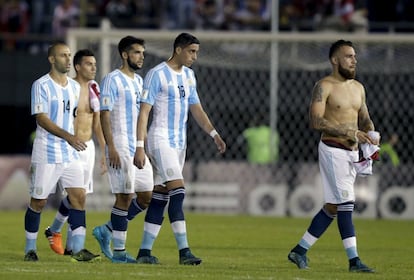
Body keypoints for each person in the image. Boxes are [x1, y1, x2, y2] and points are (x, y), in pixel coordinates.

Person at [134, 32, 226, 265]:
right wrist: (140, 146)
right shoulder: (157, 74)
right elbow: (144, 112)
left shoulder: (190, 76)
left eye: (197, 52)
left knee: (160, 196)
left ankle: (144, 252)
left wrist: (214, 133)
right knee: (179, 190)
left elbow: (197, 109)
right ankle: (184, 251)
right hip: (160, 138)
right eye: (191, 51)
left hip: (179, 143)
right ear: (178, 50)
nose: (195, 56)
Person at [287, 39, 378, 273]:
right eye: (348, 56)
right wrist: (351, 131)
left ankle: (299, 250)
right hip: (333, 149)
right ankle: (354, 261)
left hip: (353, 152)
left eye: (355, 56)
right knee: (347, 203)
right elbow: (316, 120)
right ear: (335, 60)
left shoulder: (359, 87)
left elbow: (364, 117)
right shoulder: (324, 85)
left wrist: (371, 133)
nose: (354, 60)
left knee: (333, 207)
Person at [24, 41, 100, 262]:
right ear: (51, 59)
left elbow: (75, 117)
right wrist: (68, 136)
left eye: (69, 55)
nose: (68, 59)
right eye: (63, 55)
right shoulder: (41, 85)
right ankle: (30, 248)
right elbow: (41, 118)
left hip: (70, 153)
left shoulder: (75, 87)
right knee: (38, 202)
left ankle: (78, 248)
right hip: (47, 151)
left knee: (78, 196)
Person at [92, 36, 154, 263]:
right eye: (137, 52)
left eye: (143, 53)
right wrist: (111, 147)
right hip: (118, 144)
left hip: (136, 148)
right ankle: (119, 252)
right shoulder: (112, 80)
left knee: (147, 197)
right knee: (124, 196)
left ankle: (106, 229)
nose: (141, 57)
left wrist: (143, 147)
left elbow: (142, 118)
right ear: (125, 55)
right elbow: (104, 114)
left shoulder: (140, 82)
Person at [44, 49, 107, 256]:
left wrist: (103, 149)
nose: (94, 68)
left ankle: (64, 239)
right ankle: (67, 241)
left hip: (88, 147)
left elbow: (96, 122)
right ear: (78, 67)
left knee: (79, 197)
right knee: (75, 196)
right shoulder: (67, 88)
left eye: (95, 64)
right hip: (69, 147)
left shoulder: (94, 88)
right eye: (89, 64)